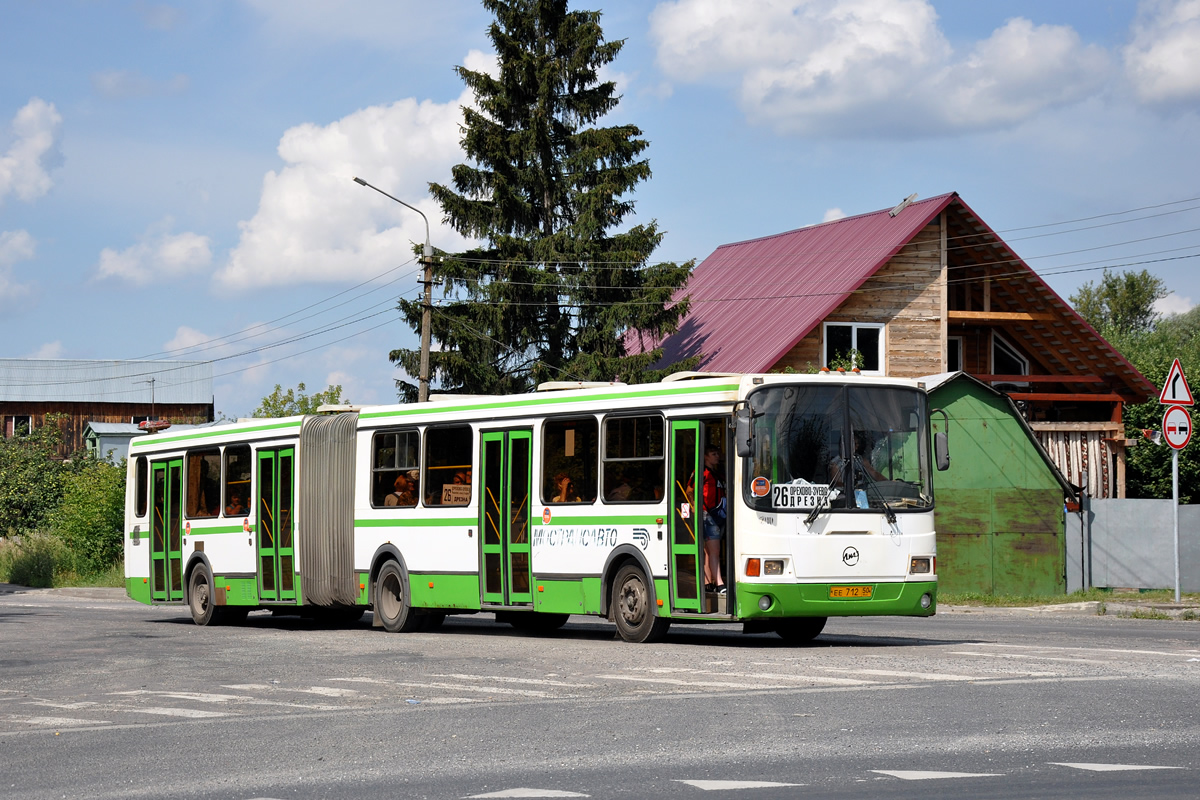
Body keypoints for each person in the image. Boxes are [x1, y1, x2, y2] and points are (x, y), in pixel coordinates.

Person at [702, 445, 726, 594]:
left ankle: (706, 584)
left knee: (709, 552)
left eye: (718, 453)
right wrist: (698, 509)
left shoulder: (717, 474)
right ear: (705, 457)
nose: (717, 456)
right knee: (715, 551)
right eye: (713, 453)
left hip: (718, 515)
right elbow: (690, 491)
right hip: (708, 515)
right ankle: (719, 583)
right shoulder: (702, 473)